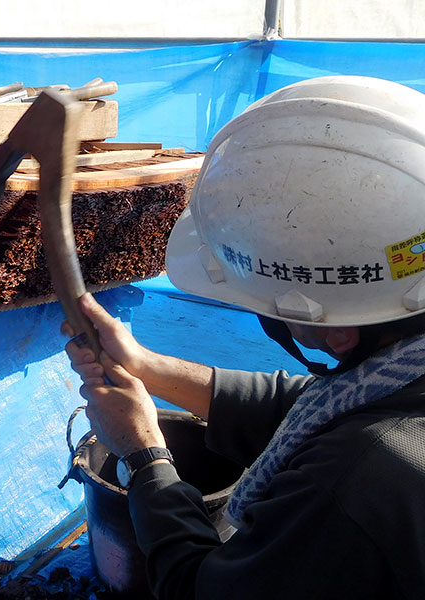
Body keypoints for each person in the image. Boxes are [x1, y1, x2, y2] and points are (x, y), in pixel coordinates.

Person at [62, 76, 425, 599]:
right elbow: (315, 404)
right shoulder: (398, 373)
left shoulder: (359, 479)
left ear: (338, 332)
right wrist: (143, 363)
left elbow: (201, 591)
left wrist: (143, 455)